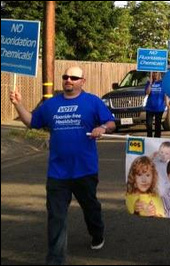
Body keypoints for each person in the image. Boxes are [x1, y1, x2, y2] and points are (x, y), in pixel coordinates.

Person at [9, 66, 116, 264]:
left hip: (85, 170)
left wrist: (102, 127)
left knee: (90, 207)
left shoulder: (92, 101)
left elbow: (111, 123)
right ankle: (55, 260)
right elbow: (32, 121)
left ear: (82, 81)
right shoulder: (51, 104)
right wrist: (18, 105)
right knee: (56, 217)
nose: (69, 80)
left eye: (74, 77)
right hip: (58, 173)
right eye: (66, 77)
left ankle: (97, 232)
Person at [145, 72, 168, 138]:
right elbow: (147, 93)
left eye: (156, 73)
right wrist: (150, 83)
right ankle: (149, 139)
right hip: (149, 107)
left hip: (159, 108)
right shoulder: (149, 83)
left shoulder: (163, 83)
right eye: (153, 73)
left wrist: (167, 104)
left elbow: (165, 94)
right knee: (149, 125)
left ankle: (157, 140)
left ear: (159, 74)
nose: (154, 74)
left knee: (158, 125)